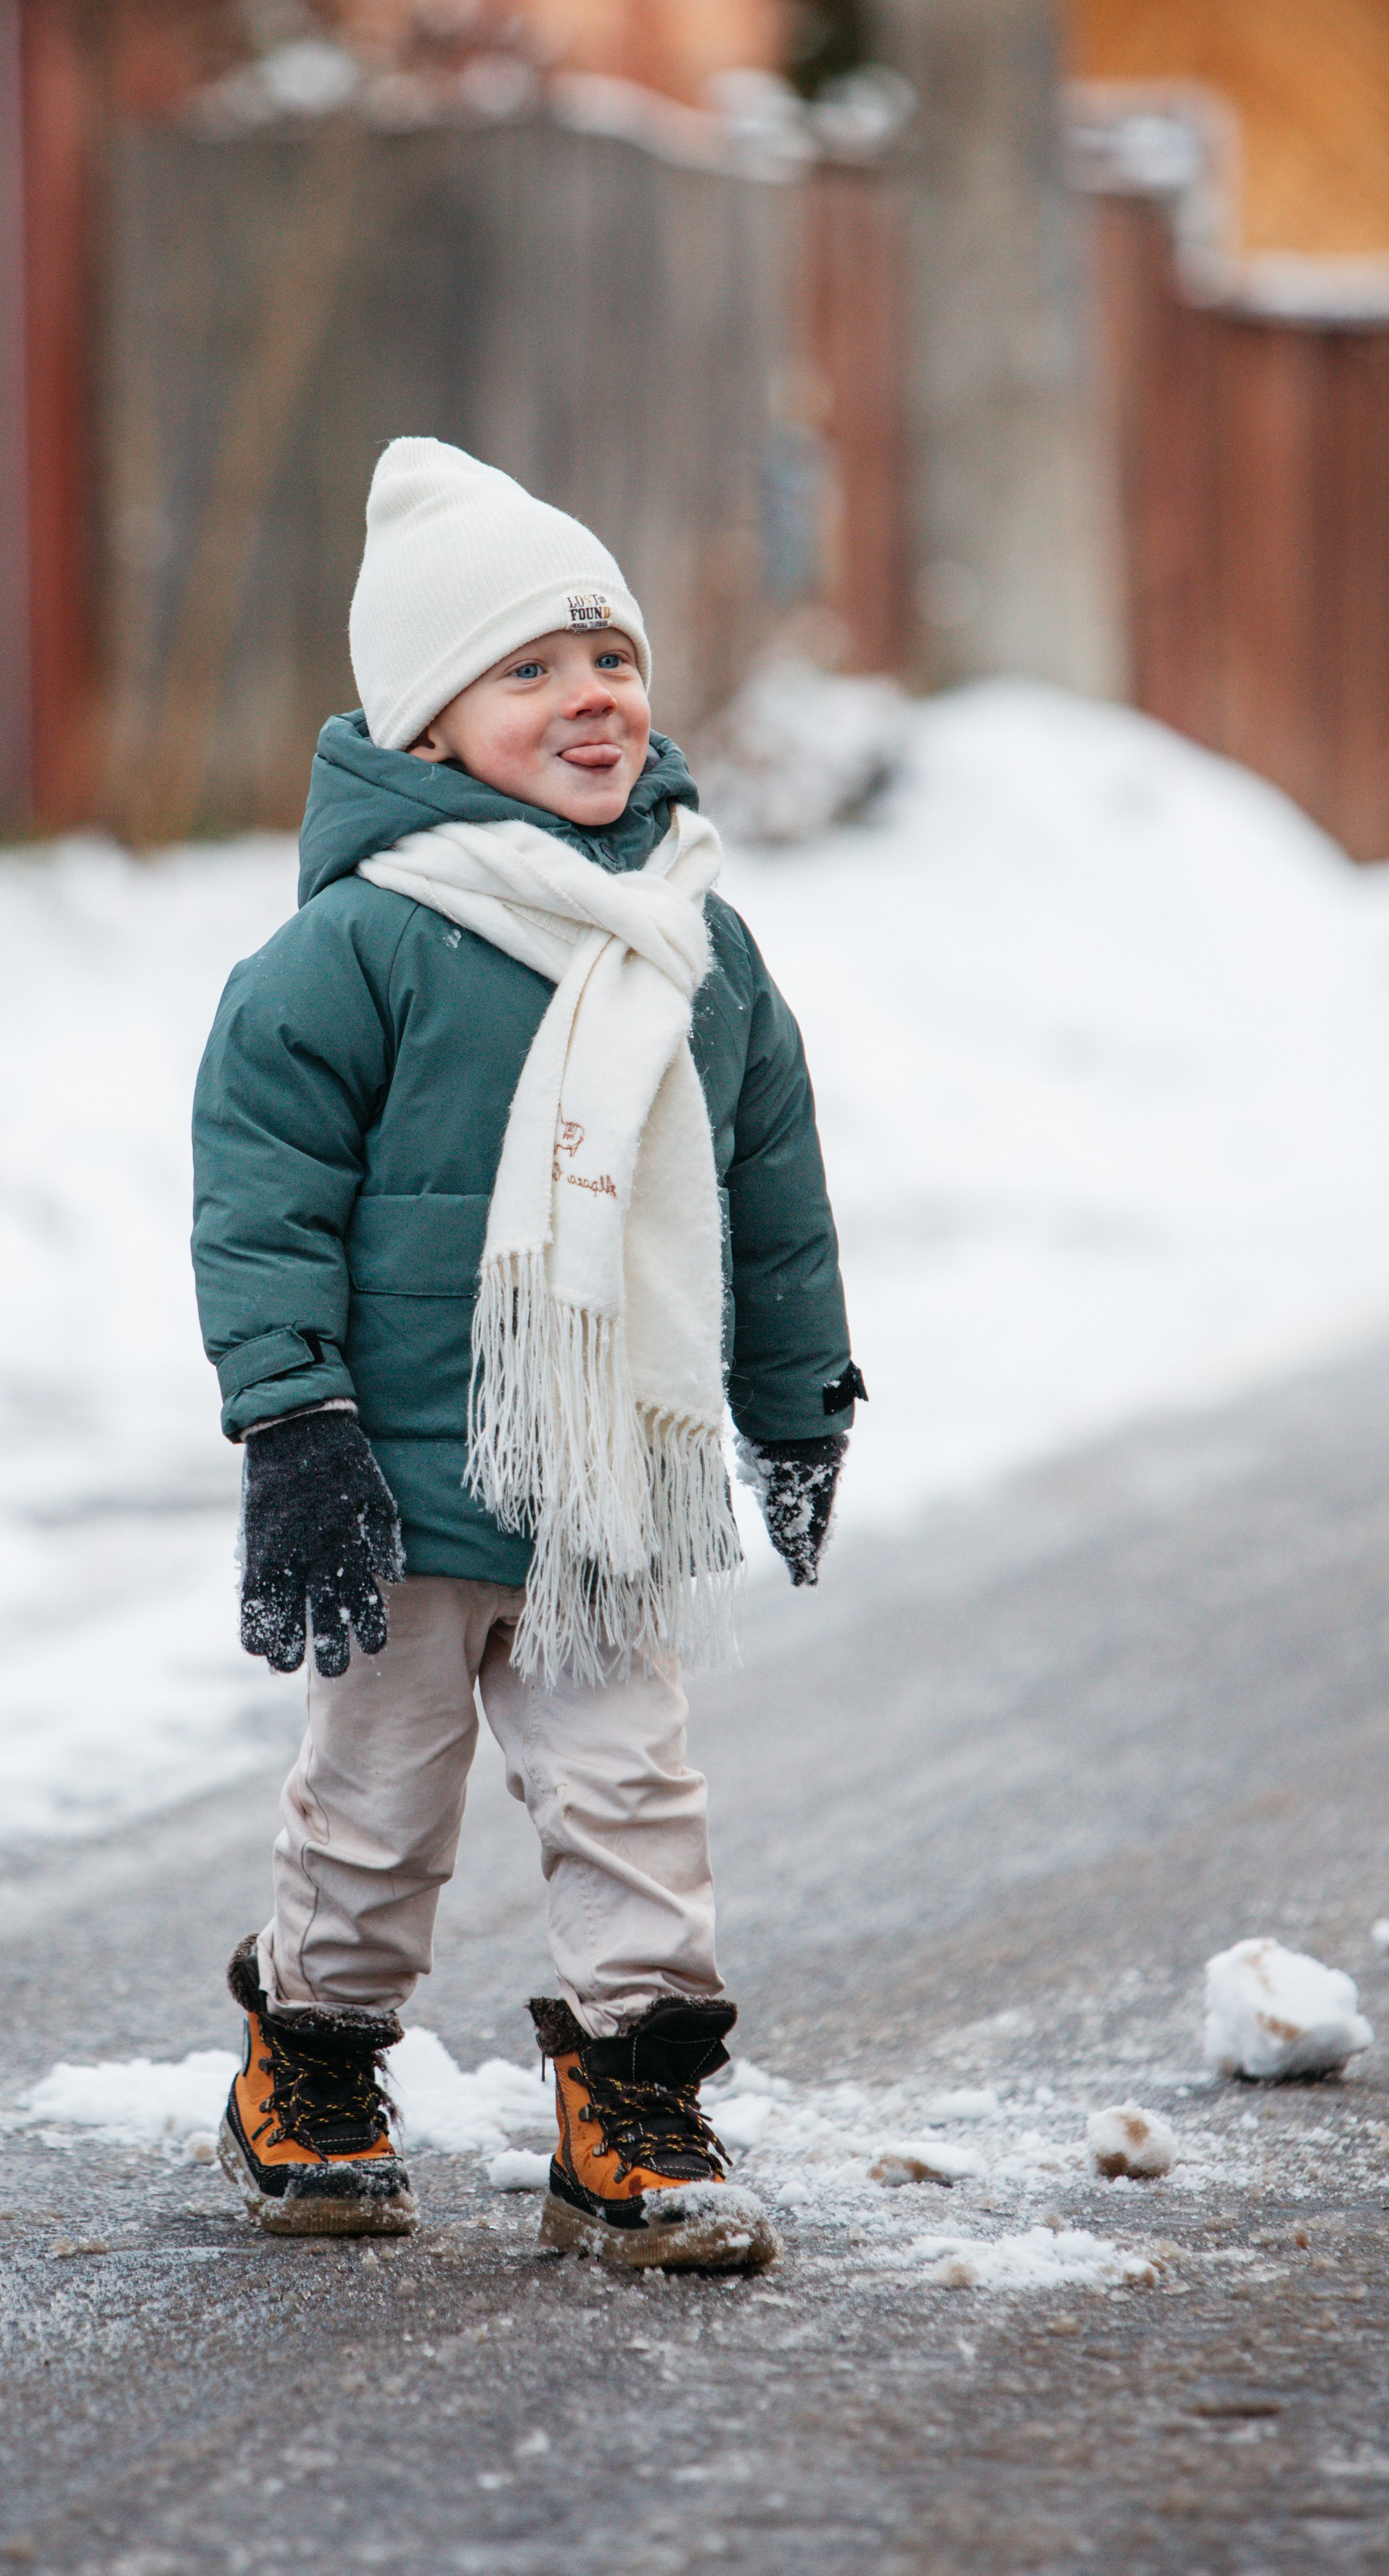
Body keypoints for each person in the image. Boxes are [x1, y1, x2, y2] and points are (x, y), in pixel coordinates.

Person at [191, 438, 862, 2272]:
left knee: (633, 1802)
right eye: (530, 669)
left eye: (610, 658)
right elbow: (258, 1199)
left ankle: (631, 2108)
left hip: (604, 1483)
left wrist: (795, 1406)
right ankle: (310, 2062)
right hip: (397, 1484)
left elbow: (770, 1196)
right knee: (374, 1813)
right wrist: (293, 1425)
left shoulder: (697, 945)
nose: (591, 699)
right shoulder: (354, 952)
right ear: (429, 721)